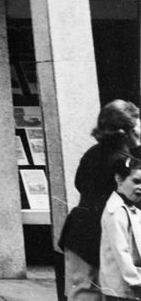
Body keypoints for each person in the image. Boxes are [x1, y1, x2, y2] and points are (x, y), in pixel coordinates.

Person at [60, 100, 141, 300]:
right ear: (124, 132)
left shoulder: (93, 153)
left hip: (80, 231)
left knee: (82, 290)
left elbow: (79, 184)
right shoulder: (124, 161)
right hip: (105, 233)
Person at [98, 157, 141, 300]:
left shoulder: (131, 208)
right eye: (136, 181)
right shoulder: (116, 211)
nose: (140, 187)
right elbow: (120, 250)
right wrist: (136, 282)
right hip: (119, 288)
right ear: (119, 179)